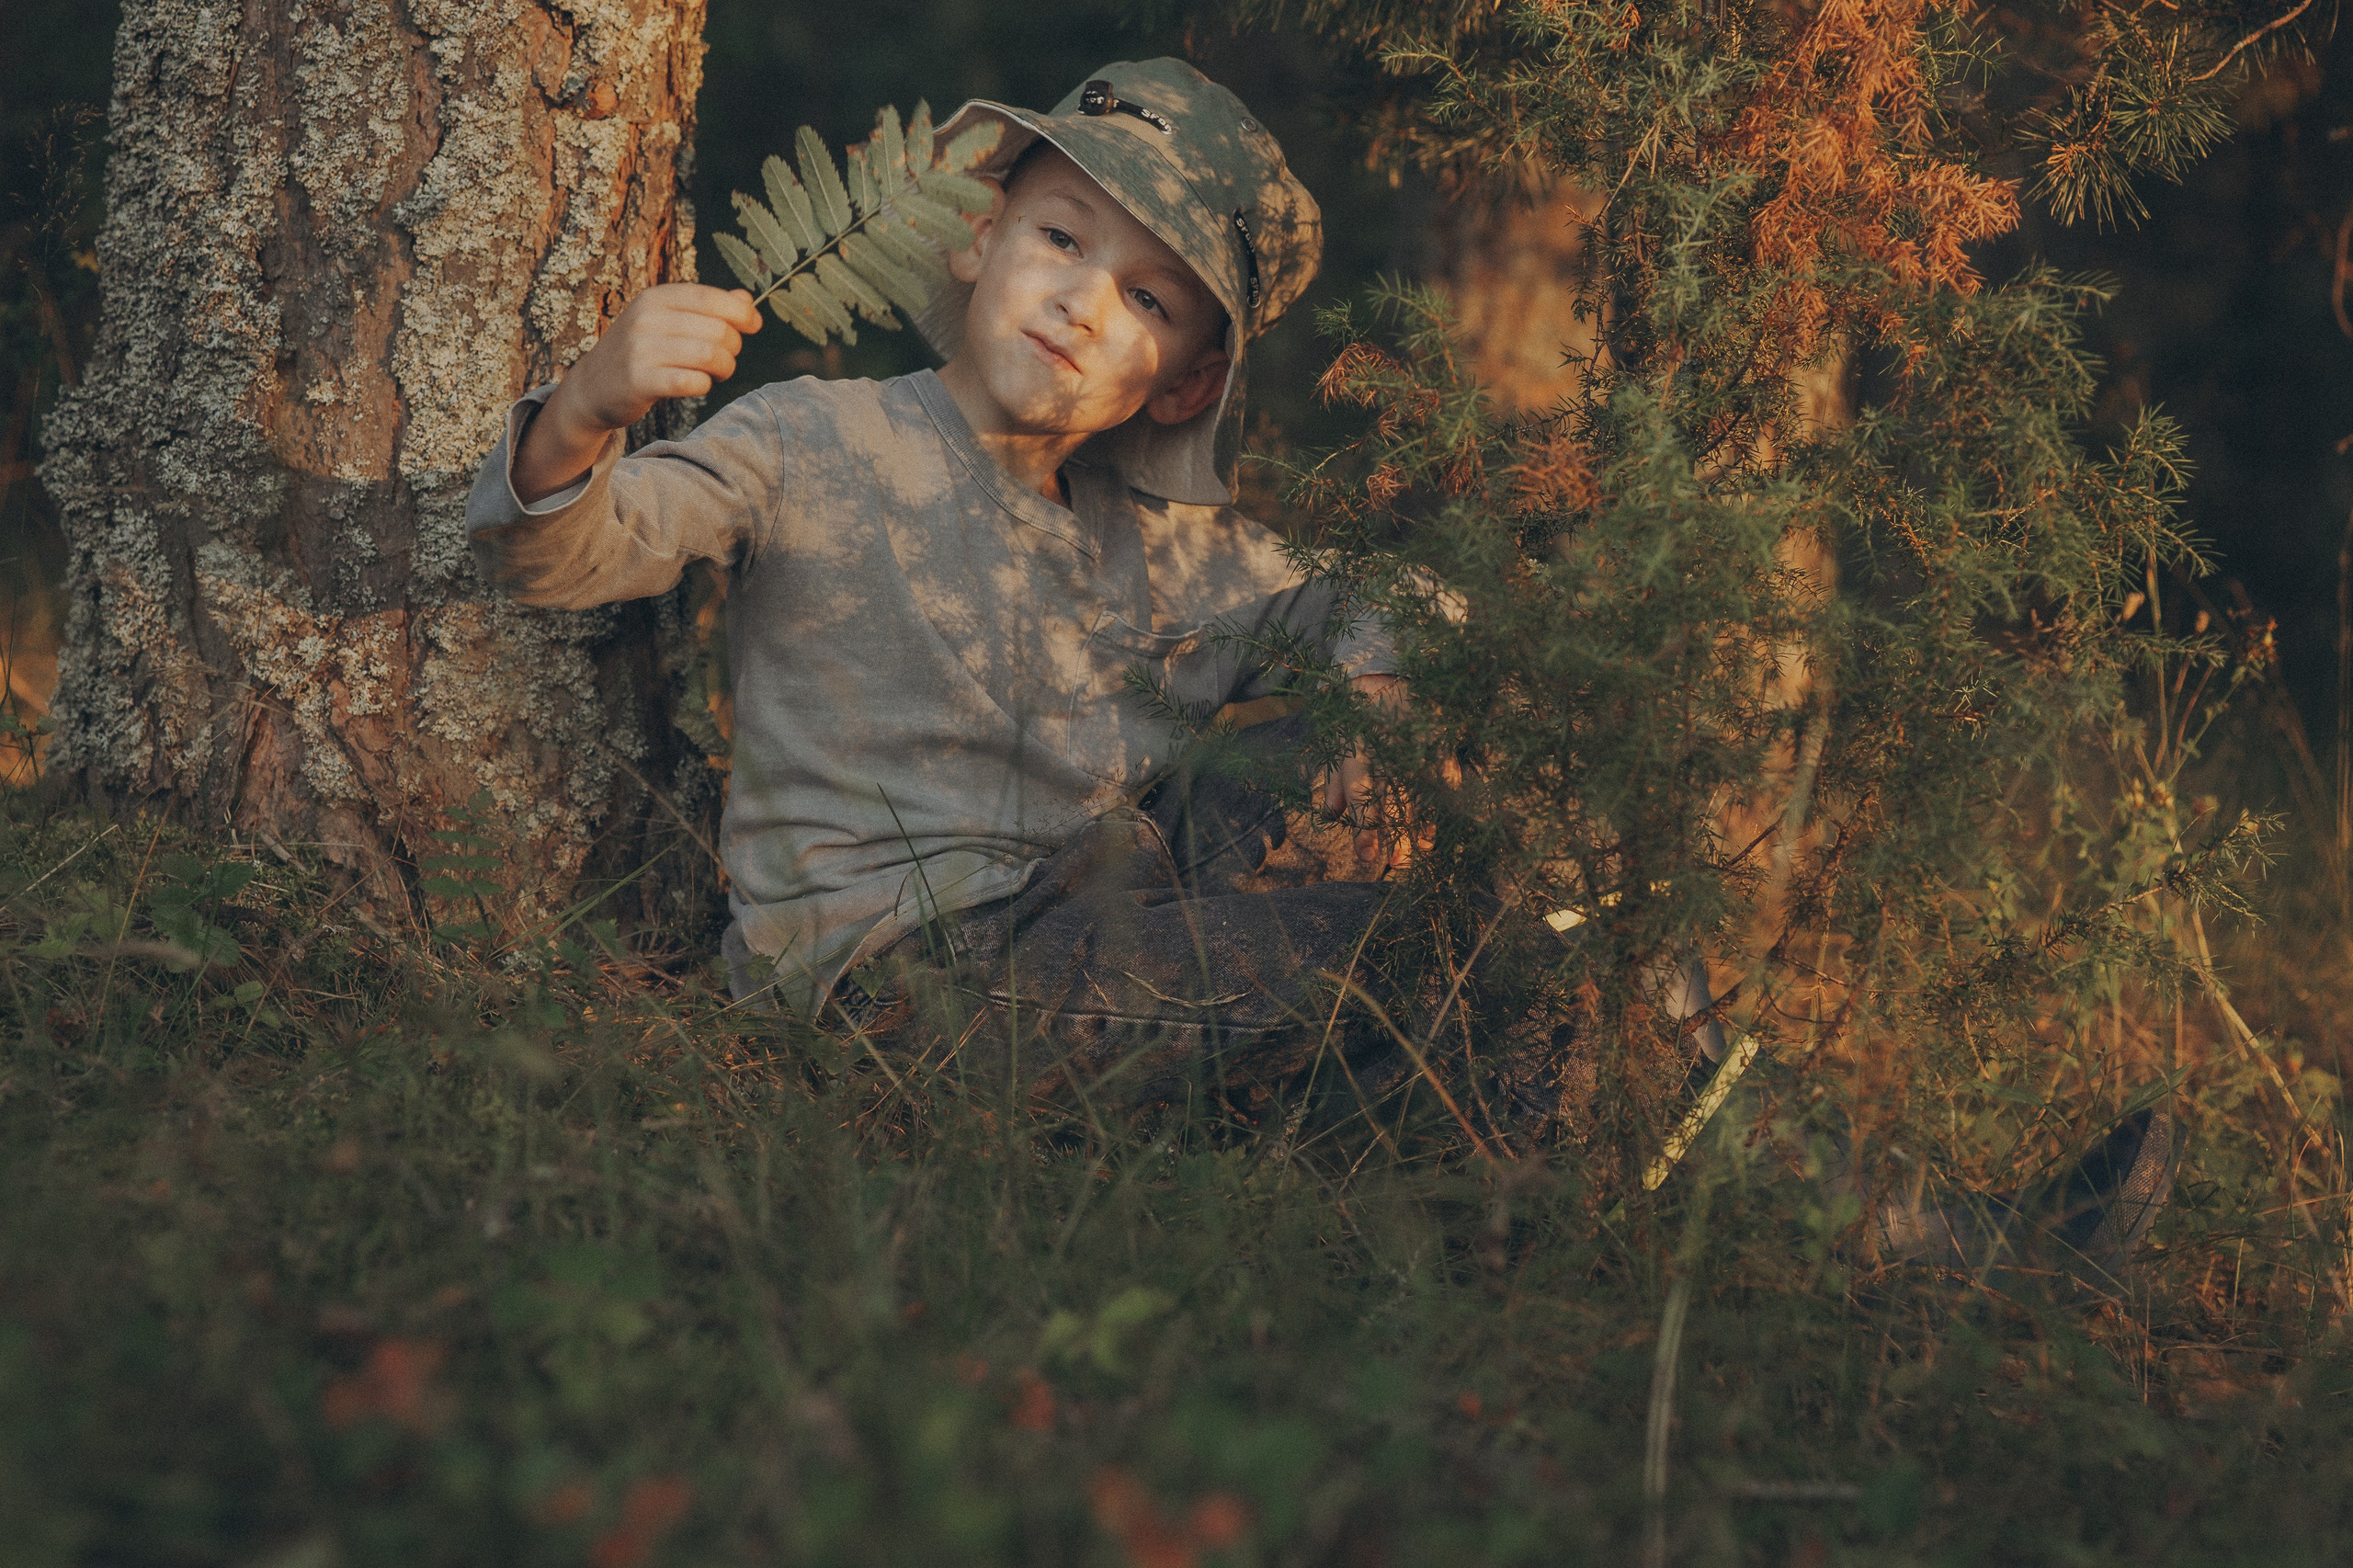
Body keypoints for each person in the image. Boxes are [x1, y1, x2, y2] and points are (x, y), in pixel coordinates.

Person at [468, 60, 1405, 1101]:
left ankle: (1347, 1132)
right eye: (1061, 237)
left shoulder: (1172, 549)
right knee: (1411, 945)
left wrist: (1375, 690)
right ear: (978, 234)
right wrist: (587, 408)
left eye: (1146, 297)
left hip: (1097, 917)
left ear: (1186, 384)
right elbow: (558, 551)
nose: (1080, 302)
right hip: (903, 982)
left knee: (1405, 770)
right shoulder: (817, 437)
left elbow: (1379, 596)